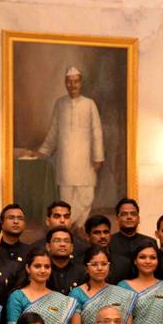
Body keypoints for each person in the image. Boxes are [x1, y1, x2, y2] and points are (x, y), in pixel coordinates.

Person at [27, 66, 104, 225]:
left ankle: (74, 226)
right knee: (66, 196)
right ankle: (67, 227)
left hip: (86, 159)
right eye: (69, 82)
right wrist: (43, 152)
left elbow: (97, 131)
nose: (72, 85)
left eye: (75, 82)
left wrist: (98, 156)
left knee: (86, 195)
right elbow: (54, 131)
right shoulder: (60, 103)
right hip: (66, 159)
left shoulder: (89, 104)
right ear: (65, 83)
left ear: (80, 83)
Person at [6, 250, 75, 324]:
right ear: (28, 268)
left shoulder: (60, 299)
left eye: (47, 267)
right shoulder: (17, 296)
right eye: (37, 266)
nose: (43, 270)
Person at [71, 247, 135, 324]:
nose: (100, 268)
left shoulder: (123, 294)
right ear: (86, 268)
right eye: (94, 264)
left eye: (104, 264)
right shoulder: (77, 293)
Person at [85, 214, 135, 284]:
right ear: (88, 237)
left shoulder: (124, 263)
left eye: (106, 232)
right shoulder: (79, 263)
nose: (103, 236)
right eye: (97, 233)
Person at [109, 197, 155, 266]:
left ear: (138, 219)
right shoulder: (109, 242)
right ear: (117, 219)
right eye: (124, 214)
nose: (129, 217)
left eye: (133, 214)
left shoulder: (150, 242)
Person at [44, 226, 86, 294]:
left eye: (66, 241)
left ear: (72, 247)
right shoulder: (42, 271)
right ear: (48, 246)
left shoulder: (82, 272)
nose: (62, 244)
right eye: (57, 241)